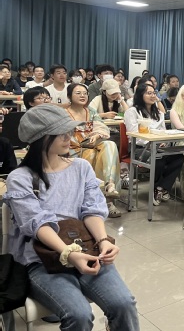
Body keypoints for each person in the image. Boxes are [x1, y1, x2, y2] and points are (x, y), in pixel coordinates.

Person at [2, 104, 139, 331]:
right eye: (61, 133)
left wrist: (103, 240)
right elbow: (37, 223)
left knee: (124, 304)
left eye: (69, 131)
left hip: (86, 247)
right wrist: (69, 254)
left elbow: (91, 209)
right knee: (78, 314)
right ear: (41, 139)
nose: (70, 137)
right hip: (41, 259)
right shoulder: (20, 178)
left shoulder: (81, 167)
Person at [65, 83, 122, 218]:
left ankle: (109, 184)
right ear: (69, 96)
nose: (83, 95)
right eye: (78, 93)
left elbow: (101, 127)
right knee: (95, 155)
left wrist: (96, 135)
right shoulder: (64, 113)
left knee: (109, 145)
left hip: (92, 146)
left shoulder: (91, 111)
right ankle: (104, 200)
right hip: (72, 150)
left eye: (85, 93)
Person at [124, 83, 184, 206]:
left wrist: (163, 142)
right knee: (158, 159)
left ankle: (161, 188)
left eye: (154, 93)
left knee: (179, 157)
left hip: (158, 146)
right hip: (139, 148)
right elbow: (134, 135)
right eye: (148, 93)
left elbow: (163, 131)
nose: (152, 96)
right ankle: (158, 188)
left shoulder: (159, 113)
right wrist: (152, 143)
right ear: (140, 95)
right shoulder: (132, 112)